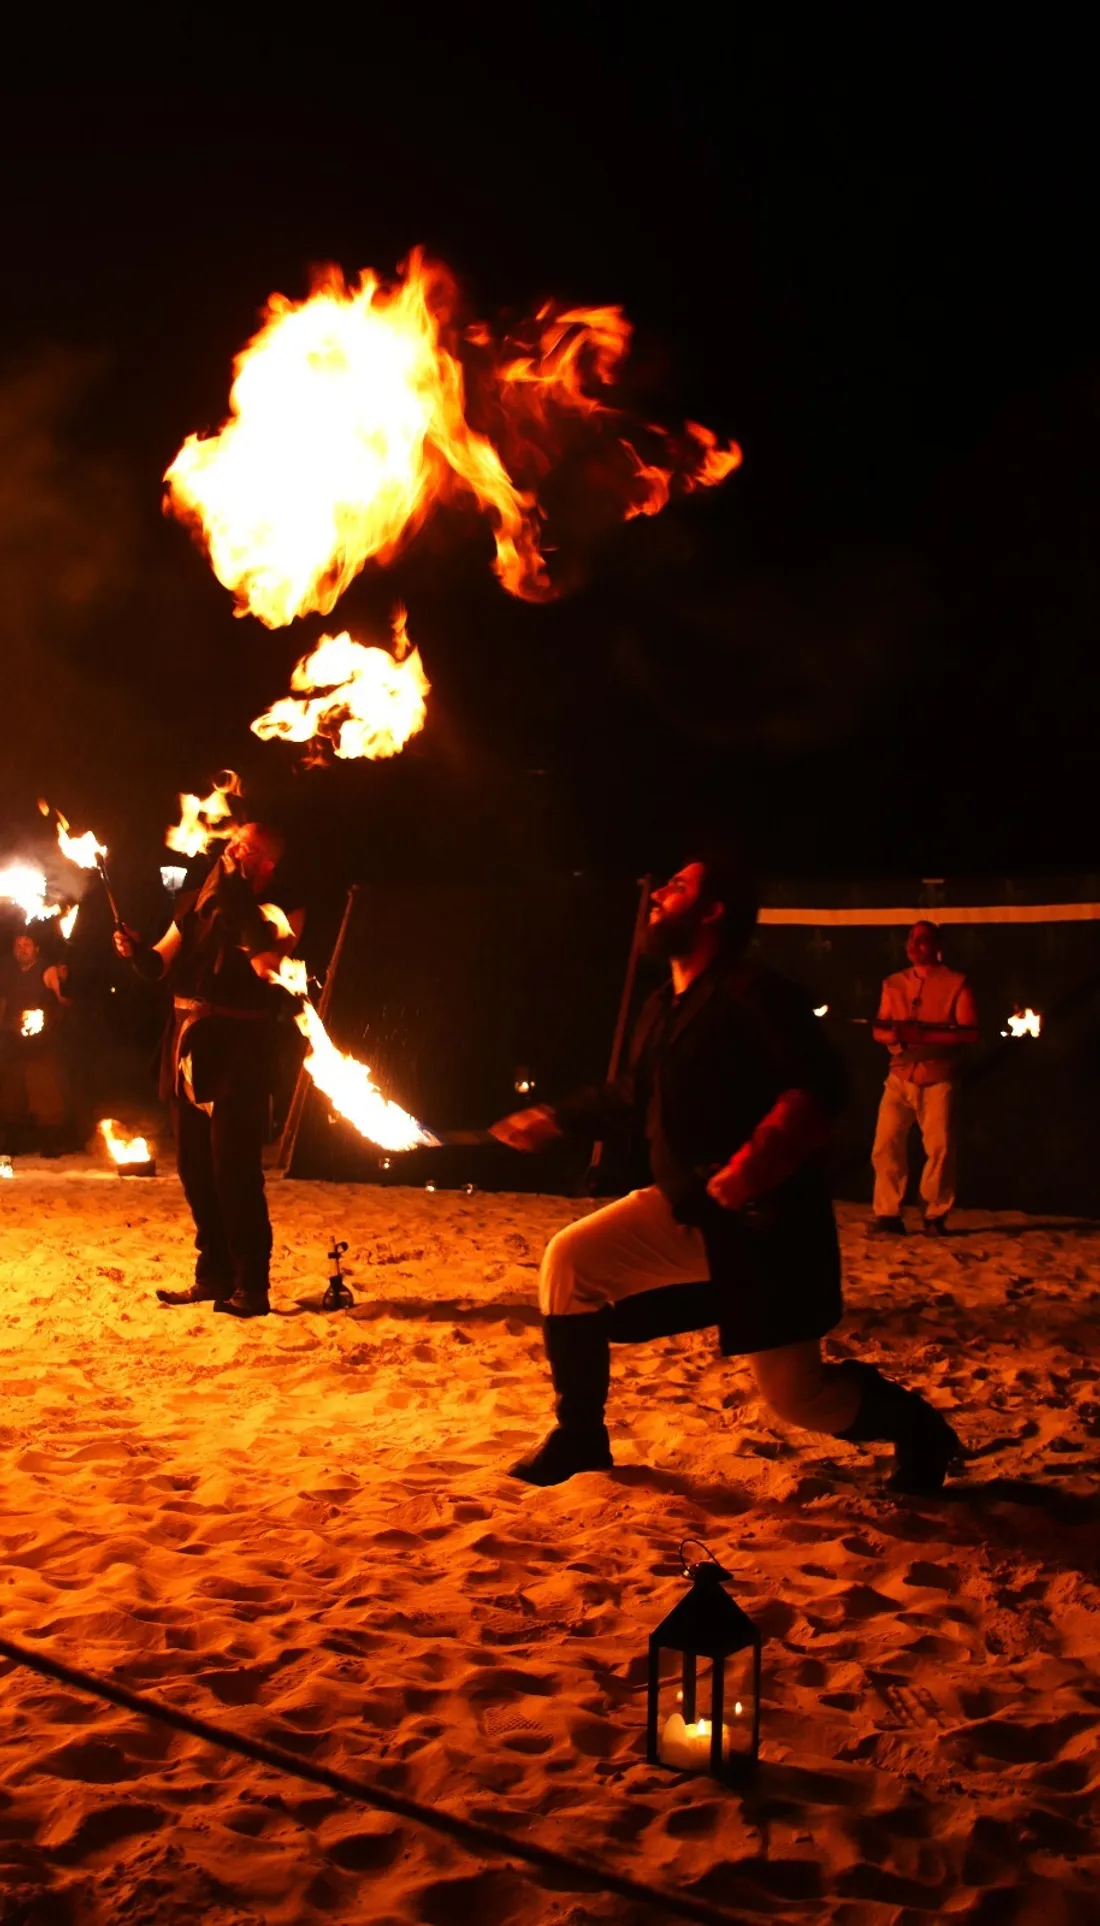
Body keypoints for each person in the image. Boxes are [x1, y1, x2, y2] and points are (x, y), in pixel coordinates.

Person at [491, 851, 962, 1494]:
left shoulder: (757, 994)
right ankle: (580, 1435)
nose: (657, 893)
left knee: (800, 1399)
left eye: (676, 887)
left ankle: (919, 1430)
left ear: (712, 911)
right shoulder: (665, 1003)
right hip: (689, 1209)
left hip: (770, 1228)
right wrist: (555, 1116)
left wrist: (752, 1166)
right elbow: (635, 1091)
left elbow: (817, 1090)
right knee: (571, 1261)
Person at [113, 822, 303, 1318]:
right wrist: (135, 952)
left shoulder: (276, 912)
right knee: (195, 1170)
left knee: (234, 1170)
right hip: (188, 1045)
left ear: (268, 864)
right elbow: (160, 964)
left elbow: (267, 964)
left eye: (251, 847)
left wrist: (233, 899)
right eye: (236, 840)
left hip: (239, 1050)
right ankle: (213, 1275)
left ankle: (252, 1285)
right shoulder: (195, 901)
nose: (235, 848)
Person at [870, 920, 978, 1236]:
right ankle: (888, 1215)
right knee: (886, 1144)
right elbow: (879, 1027)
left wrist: (926, 1037)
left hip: (937, 1076)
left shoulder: (956, 983)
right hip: (899, 1075)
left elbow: (969, 1033)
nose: (915, 945)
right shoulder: (893, 983)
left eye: (923, 939)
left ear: (937, 945)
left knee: (940, 1147)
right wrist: (891, 1036)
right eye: (911, 939)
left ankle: (934, 1215)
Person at [0, 931, 73, 1155]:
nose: (22, 948)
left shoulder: (47, 970)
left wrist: (64, 980)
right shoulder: (8, 972)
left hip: (42, 1041)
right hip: (14, 1040)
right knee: (11, 1092)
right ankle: (12, 1143)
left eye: (27, 944)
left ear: (37, 949)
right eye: (18, 944)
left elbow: (65, 1000)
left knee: (45, 1090)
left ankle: (50, 1144)